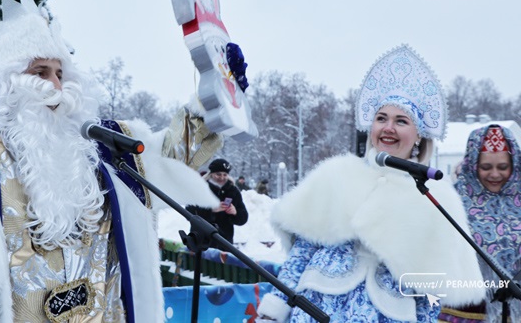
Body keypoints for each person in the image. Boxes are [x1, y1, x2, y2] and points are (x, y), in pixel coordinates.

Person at [0, 0, 225, 323]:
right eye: (40, 72)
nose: (56, 86)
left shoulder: (104, 148)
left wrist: (216, 98)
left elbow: (171, 158)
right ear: (6, 83)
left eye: (60, 73)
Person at [257, 45, 485, 322]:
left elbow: (431, 290)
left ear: (418, 136)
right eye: (381, 119)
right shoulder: (337, 175)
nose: (388, 127)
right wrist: (274, 311)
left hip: (387, 315)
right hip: (315, 307)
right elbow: (300, 255)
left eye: (401, 121)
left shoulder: (434, 195)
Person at [449, 124, 521, 322]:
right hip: (466, 312)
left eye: (503, 167)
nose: (495, 174)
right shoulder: (453, 200)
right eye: (486, 167)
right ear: (472, 165)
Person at [187, 158, 249, 248]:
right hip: (201, 240)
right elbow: (189, 211)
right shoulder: (200, 188)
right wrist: (210, 210)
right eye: (218, 174)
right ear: (211, 173)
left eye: (225, 174)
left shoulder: (233, 190)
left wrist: (235, 212)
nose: (222, 177)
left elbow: (244, 218)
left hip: (224, 242)